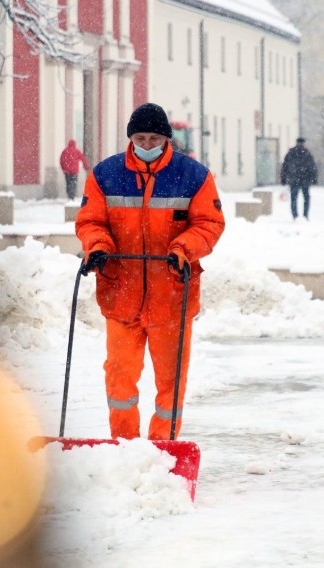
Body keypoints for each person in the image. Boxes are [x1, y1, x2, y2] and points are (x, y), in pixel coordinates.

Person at [75, 103, 225, 440]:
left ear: (166, 138)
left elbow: (209, 224)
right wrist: (97, 247)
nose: (146, 144)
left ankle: (164, 447)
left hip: (171, 296)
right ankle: (123, 445)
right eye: (140, 137)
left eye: (153, 137)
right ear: (130, 137)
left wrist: (182, 249)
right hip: (120, 295)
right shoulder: (105, 174)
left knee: (171, 383)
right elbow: (91, 222)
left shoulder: (194, 176)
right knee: (120, 379)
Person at [281, 137, 318, 220]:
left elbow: (285, 167)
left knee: (294, 198)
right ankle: (305, 215)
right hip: (305, 179)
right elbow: (312, 167)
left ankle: (295, 215)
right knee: (306, 198)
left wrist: (283, 178)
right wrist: (314, 178)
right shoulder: (307, 153)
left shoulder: (291, 153)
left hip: (294, 179)